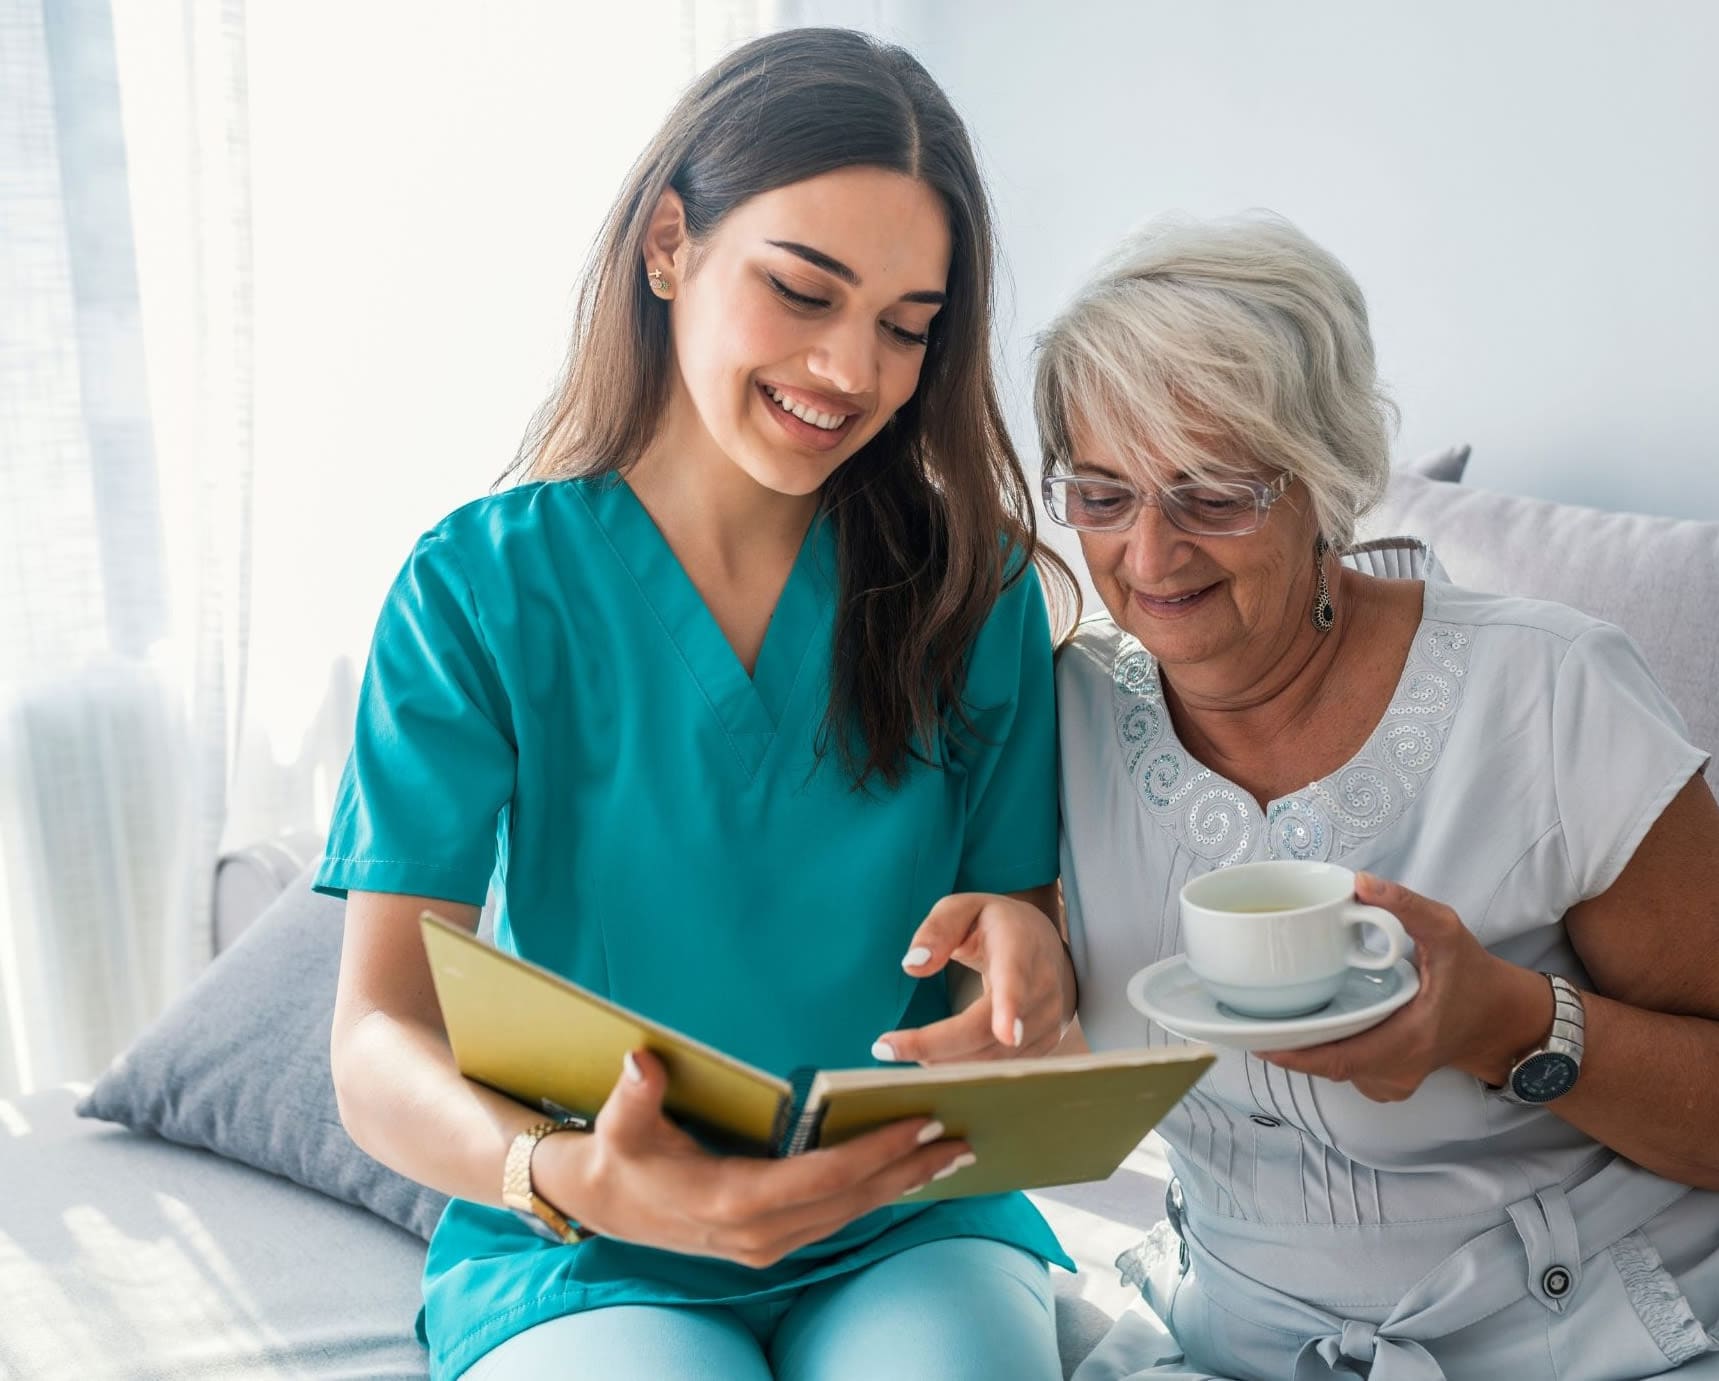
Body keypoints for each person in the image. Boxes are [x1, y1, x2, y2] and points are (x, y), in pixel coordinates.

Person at [315, 28, 1082, 1381]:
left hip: (904, 1214)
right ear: (668, 244)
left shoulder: (976, 590)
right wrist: (563, 1175)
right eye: (802, 292)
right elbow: (380, 1035)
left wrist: (1023, 957)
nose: (851, 370)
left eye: (907, 328)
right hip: (583, 1235)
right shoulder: (481, 590)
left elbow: (1020, 934)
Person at [1040, 212, 1719, 1380]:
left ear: (1325, 480)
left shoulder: (1549, 691)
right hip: (1229, 1344)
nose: (1148, 560)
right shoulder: (1061, 718)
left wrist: (1506, 1022)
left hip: (1578, 1339)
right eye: (1102, 496)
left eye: (1213, 495)